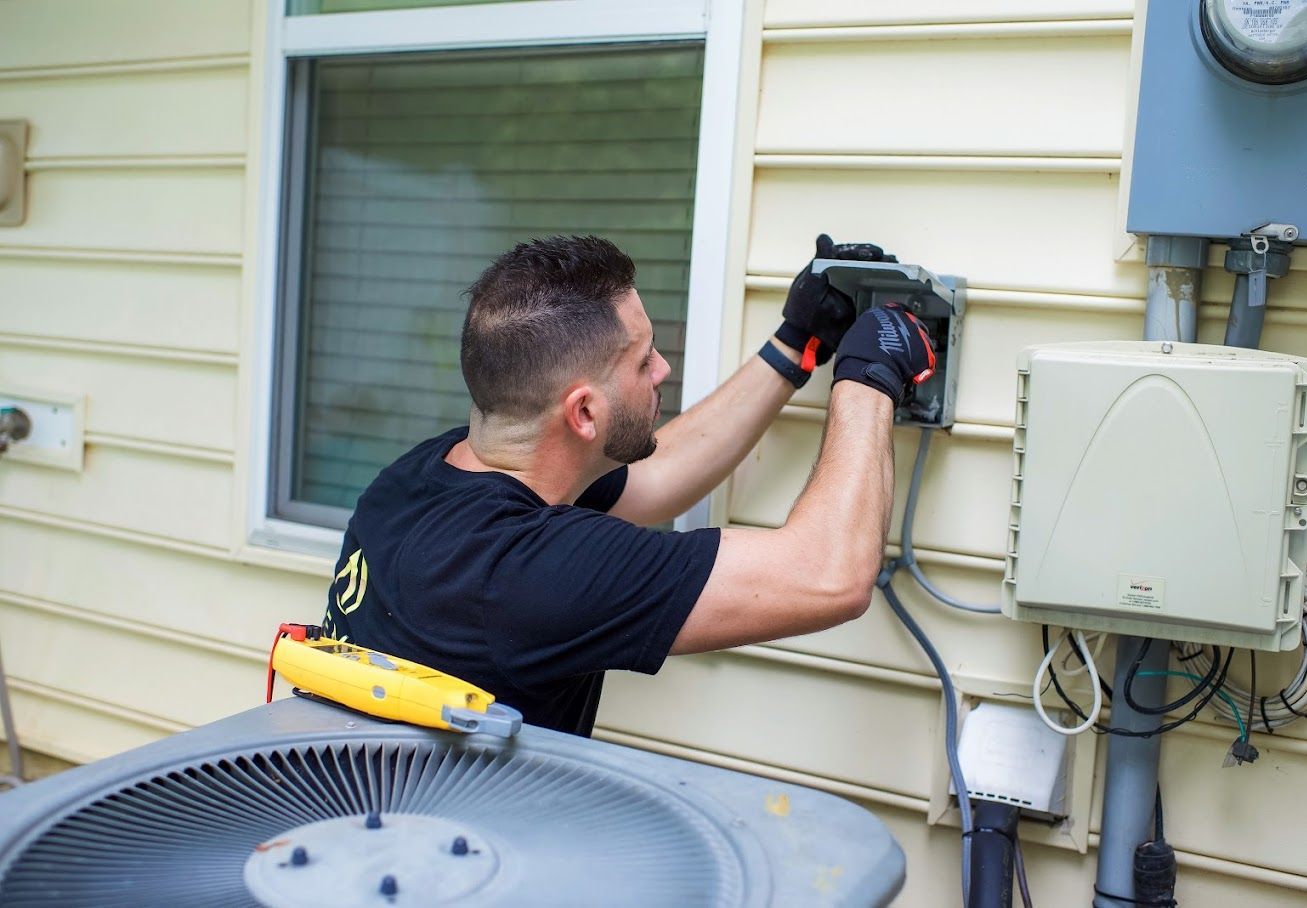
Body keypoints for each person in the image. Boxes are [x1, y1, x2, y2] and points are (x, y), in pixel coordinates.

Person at [322, 234, 934, 735]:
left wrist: (796, 346)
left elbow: (653, 479)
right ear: (583, 413)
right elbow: (829, 574)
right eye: (644, 361)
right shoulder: (525, 573)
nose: (663, 368)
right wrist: (868, 376)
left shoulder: (421, 478)